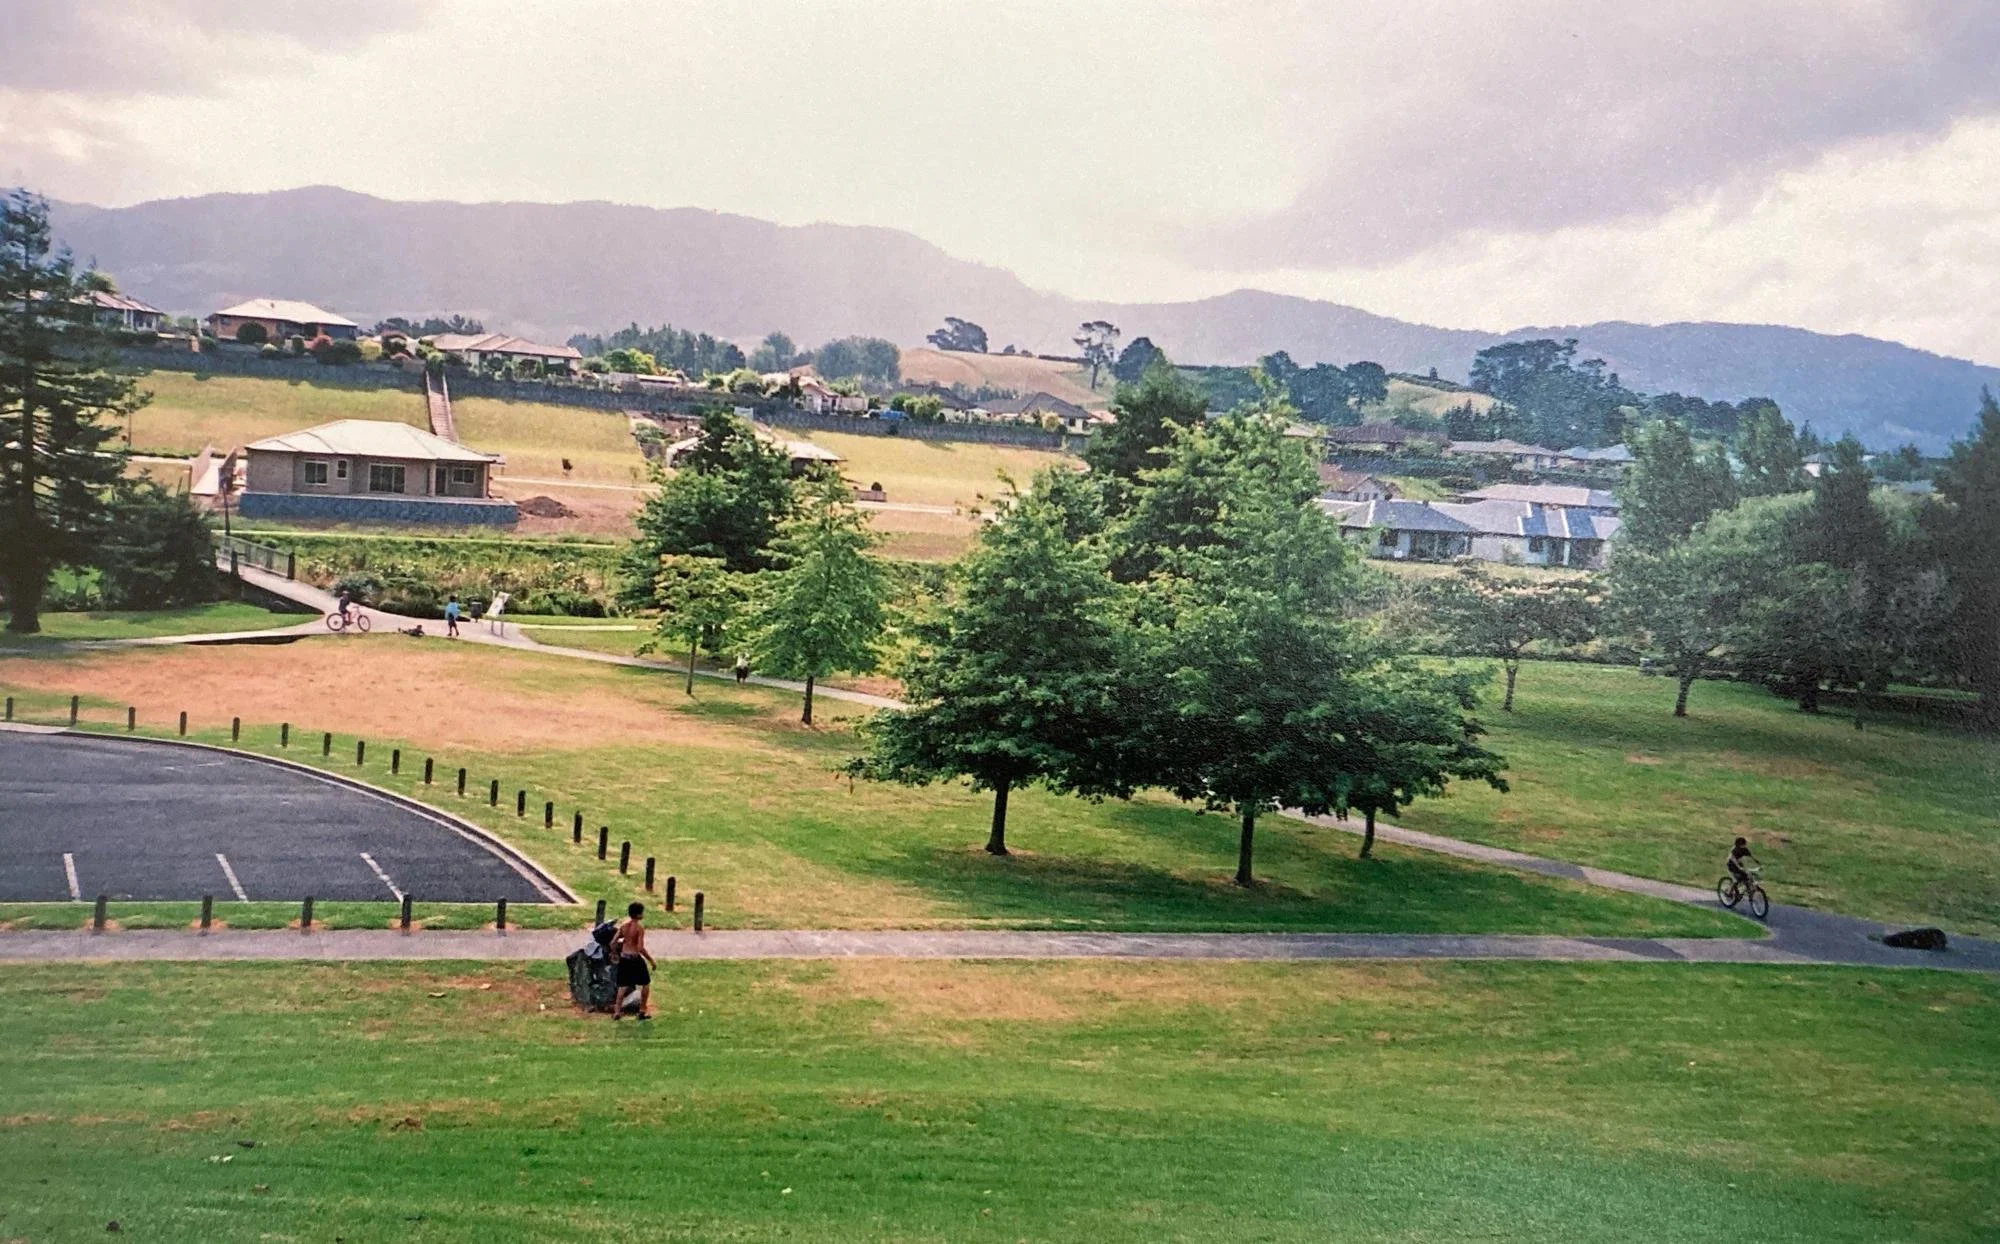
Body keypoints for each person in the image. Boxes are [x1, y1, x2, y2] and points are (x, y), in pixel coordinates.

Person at [609, 901, 655, 1020]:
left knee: (622, 985)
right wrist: (651, 960)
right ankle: (642, 1009)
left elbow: (613, 942)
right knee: (645, 983)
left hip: (624, 958)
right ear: (639, 915)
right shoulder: (639, 928)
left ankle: (617, 1011)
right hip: (635, 958)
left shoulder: (623, 926)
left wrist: (615, 954)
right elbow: (640, 948)